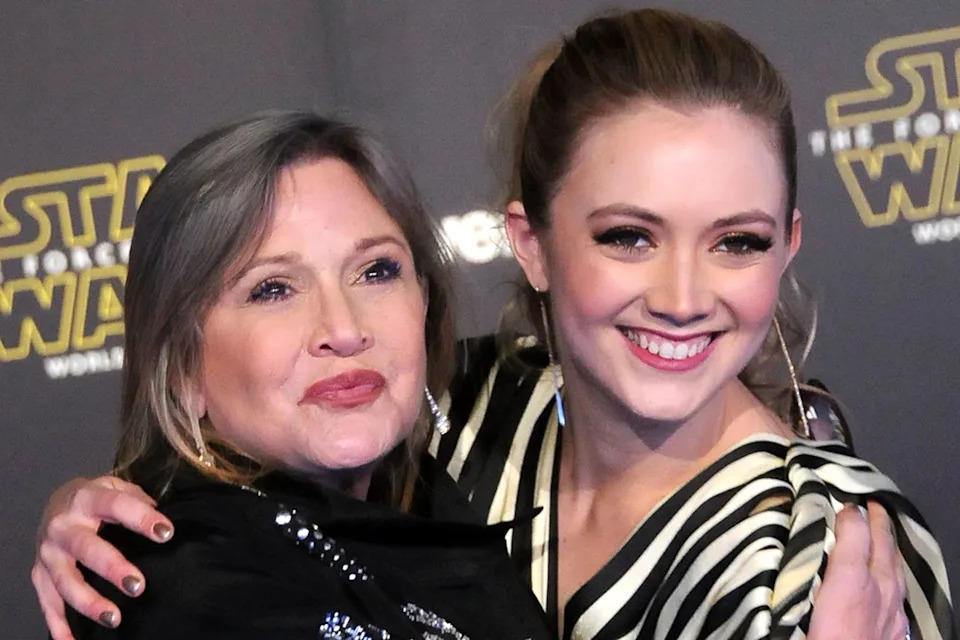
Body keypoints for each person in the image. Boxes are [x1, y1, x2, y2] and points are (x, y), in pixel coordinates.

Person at [33, 8, 954, 640]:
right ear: (533, 244)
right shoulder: (463, 412)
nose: (682, 295)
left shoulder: (829, 543)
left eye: (737, 242)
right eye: (629, 236)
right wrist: (98, 501)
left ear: (788, 246)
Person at [53, 110, 553, 639]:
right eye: (273, 289)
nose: (343, 329)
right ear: (180, 364)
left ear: (425, 302)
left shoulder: (431, 504)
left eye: (376, 271)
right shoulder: (189, 595)